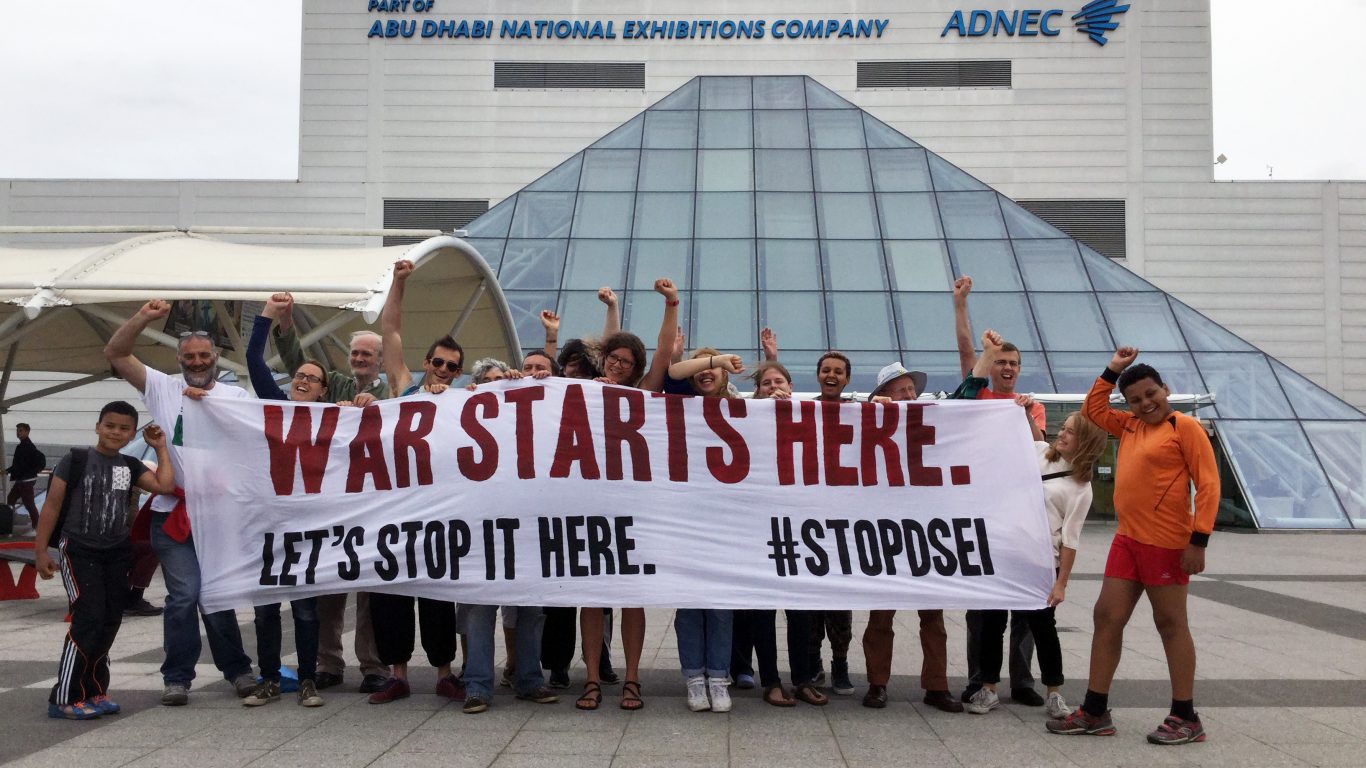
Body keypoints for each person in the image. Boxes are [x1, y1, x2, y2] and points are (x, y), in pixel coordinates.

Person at [1048, 347, 1218, 745]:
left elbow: (1208, 484)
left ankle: (1186, 716)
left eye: (1151, 394)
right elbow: (1093, 408)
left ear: (1165, 389)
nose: (1145, 404)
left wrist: (1199, 541)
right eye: (1137, 399)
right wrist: (1112, 369)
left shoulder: (1185, 427)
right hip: (1127, 540)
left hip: (1168, 543)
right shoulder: (1131, 426)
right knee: (1106, 617)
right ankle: (1094, 711)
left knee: (1171, 624)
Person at [104, 301, 256, 706]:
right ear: (178, 359)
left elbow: (250, 440)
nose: (197, 362)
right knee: (185, 595)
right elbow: (116, 354)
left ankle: (238, 670)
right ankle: (177, 677)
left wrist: (210, 403)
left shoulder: (234, 395)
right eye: (189, 356)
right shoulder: (162, 386)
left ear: (216, 358)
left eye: (204, 355)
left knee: (217, 594)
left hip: (218, 516)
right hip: (172, 516)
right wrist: (142, 318)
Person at [964, 337, 1109, 717]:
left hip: (1041, 561)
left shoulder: (1082, 489)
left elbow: (1072, 540)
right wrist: (1024, 412)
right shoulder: (1039, 455)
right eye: (1063, 428)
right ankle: (989, 688)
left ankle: (1054, 692)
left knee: (1044, 629)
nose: (1063, 433)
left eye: (1072, 431)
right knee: (993, 625)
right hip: (1007, 553)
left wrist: (1061, 583)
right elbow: (1028, 438)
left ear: (1086, 443)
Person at [268, 293, 390, 694]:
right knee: (328, 589)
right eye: (355, 352)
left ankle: (373, 665)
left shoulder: (395, 395)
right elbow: (294, 361)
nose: (358, 359)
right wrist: (285, 321)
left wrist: (377, 407)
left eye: (366, 354)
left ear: (381, 359)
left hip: (372, 506)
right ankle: (329, 663)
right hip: (333, 506)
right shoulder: (333, 383)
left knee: (372, 591)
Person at [33, 405, 175, 719]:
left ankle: (94, 690)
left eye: (124, 429)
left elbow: (164, 485)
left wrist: (160, 448)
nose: (115, 432)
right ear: (97, 426)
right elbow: (52, 507)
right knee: (88, 618)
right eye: (109, 426)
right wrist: (41, 551)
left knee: (110, 619)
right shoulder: (76, 459)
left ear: (131, 433)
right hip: (79, 550)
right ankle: (66, 697)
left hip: (116, 552)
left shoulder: (131, 465)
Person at [576, 278, 678, 712]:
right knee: (593, 597)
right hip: (591, 504)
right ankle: (593, 679)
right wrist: (611, 307)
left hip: (634, 507)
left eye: (627, 360)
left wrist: (671, 304)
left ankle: (632, 679)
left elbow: (662, 353)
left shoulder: (642, 392)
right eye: (614, 358)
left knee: (632, 595)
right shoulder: (580, 391)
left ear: (635, 367)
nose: (619, 364)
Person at [364, 260, 462, 705]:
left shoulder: (466, 401)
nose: (443, 369)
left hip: (439, 510)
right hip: (398, 507)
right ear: (426, 362)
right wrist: (400, 282)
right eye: (438, 362)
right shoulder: (404, 386)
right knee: (391, 592)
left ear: (459, 372)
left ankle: (444, 672)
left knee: (439, 593)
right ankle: (397, 674)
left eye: (452, 366)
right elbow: (391, 331)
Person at [235, 295, 331, 708]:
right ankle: (270, 679)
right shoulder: (275, 406)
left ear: (324, 391)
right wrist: (267, 318)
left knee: (307, 611)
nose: (303, 379)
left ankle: (307, 680)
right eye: (301, 375)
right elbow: (255, 360)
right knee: (265, 612)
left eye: (313, 377)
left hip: (307, 530)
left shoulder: (333, 423)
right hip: (268, 527)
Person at [953, 277, 1045, 707]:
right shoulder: (980, 393)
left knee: (1026, 603)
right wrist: (961, 305)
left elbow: (1038, 449)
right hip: (983, 512)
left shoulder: (1031, 405)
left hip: (1020, 515)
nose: (1006, 368)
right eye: (1001, 361)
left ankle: (1022, 681)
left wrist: (1025, 414)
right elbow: (967, 353)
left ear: (1020, 369)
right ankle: (978, 677)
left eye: (1013, 363)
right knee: (982, 606)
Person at [858, 362, 964, 713]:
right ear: (884, 396)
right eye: (902, 390)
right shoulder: (869, 420)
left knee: (933, 616)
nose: (910, 395)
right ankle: (877, 684)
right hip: (885, 530)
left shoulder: (930, 422)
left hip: (924, 530)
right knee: (881, 616)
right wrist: (872, 413)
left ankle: (936, 686)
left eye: (911, 389)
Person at [729, 357, 825, 707]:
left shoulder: (809, 415)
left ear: (791, 387)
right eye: (766, 384)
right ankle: (770, 680)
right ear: (757, 392)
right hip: (758, 528)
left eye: (778, 382)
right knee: (762, 611)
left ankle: (803, 679)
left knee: (800, 611)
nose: (773, 388)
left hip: (797, 528)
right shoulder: (747, 421)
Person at [663, 346, 745, 712]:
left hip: (727, 525)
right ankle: (694, 679)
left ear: (727, 378)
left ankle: (718, 677)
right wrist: (715, 359)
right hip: (686, 522)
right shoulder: (680, 400)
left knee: (721, 608)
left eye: (714, 368)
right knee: (689, 607)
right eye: (702, 368)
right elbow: (675, 371)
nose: (706, 374)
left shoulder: (745, 409)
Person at [808, 351, 855, 695]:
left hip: (843, 525)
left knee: (840, 605)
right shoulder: (801, 411)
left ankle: (840, 662)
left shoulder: (859, 412)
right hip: (806, 522)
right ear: (818, 375)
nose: (832, 375)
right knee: (809, 605)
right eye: (826, 370)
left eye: (838, 371)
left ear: (847, 379)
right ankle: (813, 666)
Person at [5, 422, 45, 530]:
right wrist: (6, 471)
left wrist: (32, 472)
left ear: (27, 432)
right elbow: (18, 465)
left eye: (21, 430)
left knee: (29, 504)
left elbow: (23, 465)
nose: (18, 433)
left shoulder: (27, 446)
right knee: (11, 499)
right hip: (21, 480)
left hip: (26, 480)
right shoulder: (22, 446)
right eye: (17, 431)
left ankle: (37, 527)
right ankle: (11, 520)